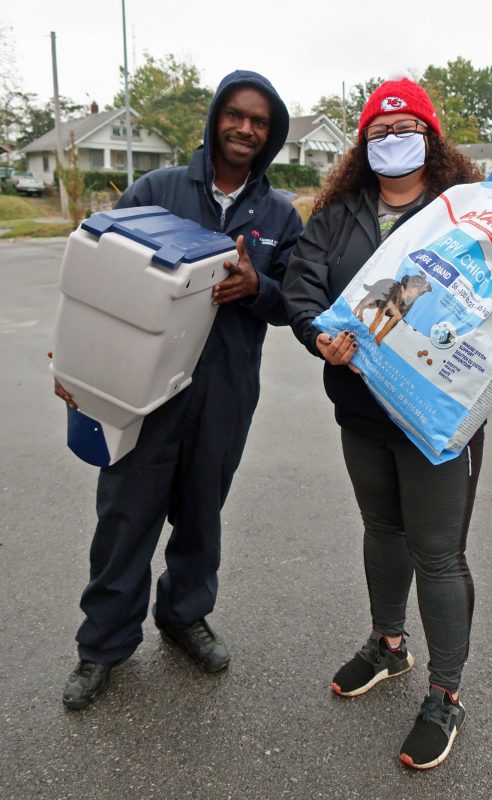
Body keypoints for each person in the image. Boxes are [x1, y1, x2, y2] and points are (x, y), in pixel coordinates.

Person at [282, 77, 492, 769]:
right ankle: (388, 646)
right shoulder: (339, 214)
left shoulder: (467, 216)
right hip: (362, 412)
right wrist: (317, 336)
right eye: (378, 131)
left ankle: (446, 695)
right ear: (363, 145)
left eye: (405, 129)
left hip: (437, 422)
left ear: (431, 139)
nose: (391, 140)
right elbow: (302, 289)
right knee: (381, 532)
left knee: (436, 553)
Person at [56, 70, 303, 711]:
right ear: (216, 118)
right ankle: (102, 646)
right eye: (237, 115)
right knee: (125, 515)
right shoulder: (159, 189)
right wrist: (78, 367)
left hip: (224, 391)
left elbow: (297, 304)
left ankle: (183, 616)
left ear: (271, 136)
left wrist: (259, 289)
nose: (247, 128)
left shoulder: (277, 215)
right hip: (143, 390)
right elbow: (97, 276)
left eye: (260, 122)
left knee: (201, 513)